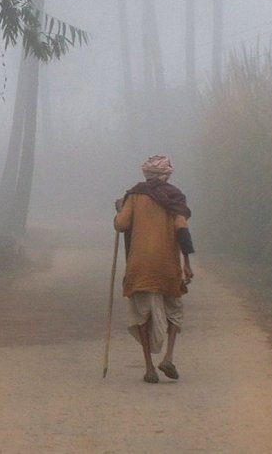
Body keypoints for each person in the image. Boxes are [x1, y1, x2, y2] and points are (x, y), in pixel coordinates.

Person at [113, 155, 195, 383]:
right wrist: (186, 263)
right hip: (167, 266)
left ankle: (149, 367)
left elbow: (121, 225)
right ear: (167, 175)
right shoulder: (175, 197)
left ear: (147, 174)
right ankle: (168, 357)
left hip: (139, 267)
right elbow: (182, 229)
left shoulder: (135, 195)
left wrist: (120, 208)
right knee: (174, 312)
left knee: (142, 315)